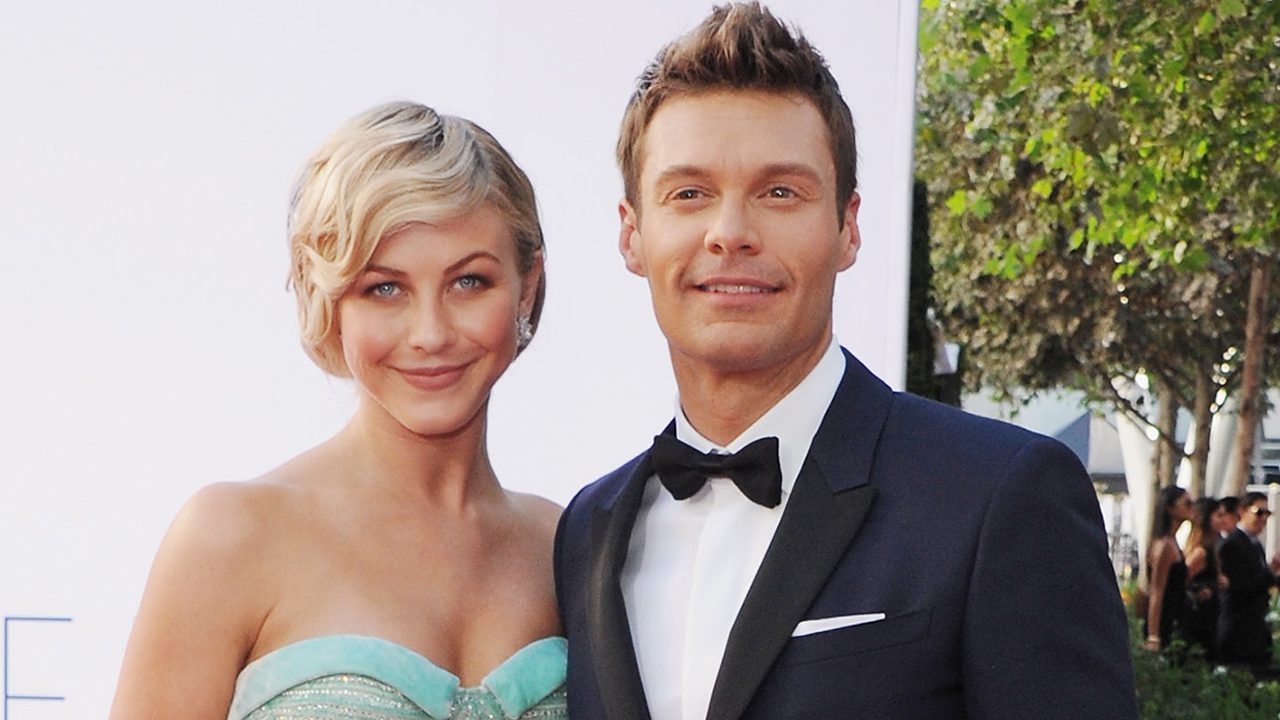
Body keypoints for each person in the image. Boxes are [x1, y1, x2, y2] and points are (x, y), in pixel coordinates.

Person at [553, 3, 1137, 718]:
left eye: (780, 192)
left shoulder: (999, 497)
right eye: (689, 194)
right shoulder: (587, 531)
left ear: (848, 228)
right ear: (632, 234)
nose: (730, 232)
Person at [109, 102, 566, 720]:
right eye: (384, 288)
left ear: (526, 287)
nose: (430, 333)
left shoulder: (568, 550)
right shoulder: (230, 538)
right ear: (330, 303)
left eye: (469, 282)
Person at [1219, 491, 1280, 671]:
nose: (1263, 519)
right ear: (1242, 511)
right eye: (1259, 512)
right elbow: (1242, 586)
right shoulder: (1233, 544)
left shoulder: (1255, 544)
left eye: (1267, 514)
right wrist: (1271, 570)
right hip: (1238, 630)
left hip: (1255, 630)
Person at [1143, 486, 1194, 652]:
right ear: (1170, 508)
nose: (1192, 507)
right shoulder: (1164, 546)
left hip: (1176, 618)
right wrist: (1153, 636)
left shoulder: (1173, 542)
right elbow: (1157, 591)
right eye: (1187, 503)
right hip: (1165, 623)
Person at [1184, 496, 1228, 660]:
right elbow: (1181, 580)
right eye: (1219, 515)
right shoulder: (1200, 552)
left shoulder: (1212, 549)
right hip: (1200, 619)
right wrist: (1196, 593)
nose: (1223, 520)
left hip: (1211, 616)